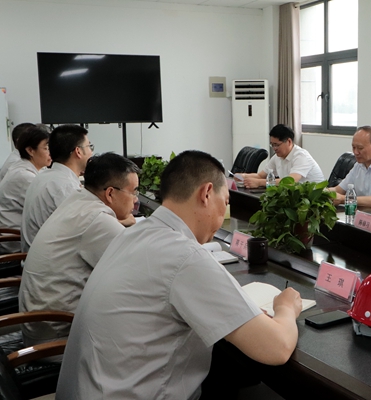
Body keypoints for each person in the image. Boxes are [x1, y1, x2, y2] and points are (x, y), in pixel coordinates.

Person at [56, 150, 302, 399]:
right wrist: (286, 308)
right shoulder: (185, 257)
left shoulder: (135, 234)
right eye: (226, 201)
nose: (224, 212)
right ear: (206, 193)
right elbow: (277, 347)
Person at [18, 152, 139, 348]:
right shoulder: (97, 220)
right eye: (133, 192)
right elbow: (137, 272)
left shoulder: (78, 200)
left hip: (39, 324)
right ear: (110, 193)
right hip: (57, 339)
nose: (135, 200)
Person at [21, 124, 94, 252]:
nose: (91, 152)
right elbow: (85, 230)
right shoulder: (64, 185)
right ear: (78, 151)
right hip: (50, 258)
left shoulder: (46, 175)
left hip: (38, 253)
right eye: (89, 146)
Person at [0, 126, 52, 253]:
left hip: (20, 233)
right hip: (15, 241)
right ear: (30, 150)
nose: (51, 153)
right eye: (46, 148)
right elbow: (47, 209)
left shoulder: (30, 167)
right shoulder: (25, 176)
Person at [240, 124, 324, 187]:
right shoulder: (277, 157)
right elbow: (260, 176)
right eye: (272, 145)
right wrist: (243, 176)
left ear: (289, 142)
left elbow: (290, 182)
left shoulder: (301, 156)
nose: (274, 148)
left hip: (314, 199)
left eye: (277, 145)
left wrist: (259, 183)